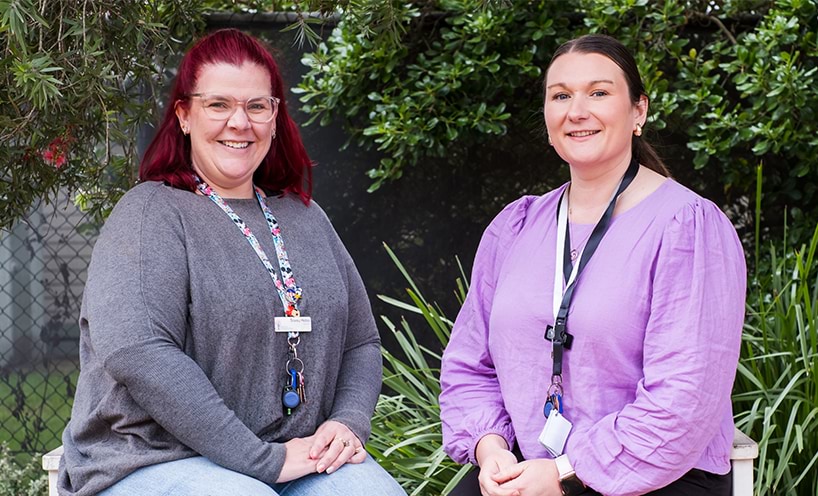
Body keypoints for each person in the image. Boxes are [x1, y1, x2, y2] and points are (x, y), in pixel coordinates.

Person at [58, 29, 405, 496]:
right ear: (184, 115)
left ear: (276, 117)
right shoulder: (151, 213)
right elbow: (138, 351)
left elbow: (361, 342)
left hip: (293, 455)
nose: (240, 122)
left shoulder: (304, 216)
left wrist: (348, 422)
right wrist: (260, 461)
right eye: (218, 104)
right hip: (150, 459)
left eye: (257, 106)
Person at [439, 34, 746, 496]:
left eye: (599, 93)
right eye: (561, 96)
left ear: (638, 111)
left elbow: (683, 400)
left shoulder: (687, 227)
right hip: (526, 469)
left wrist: (565, 471)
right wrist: (491, 448)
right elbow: (469, 365)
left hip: (653, 474)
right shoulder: (515, 227)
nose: (576, 111)